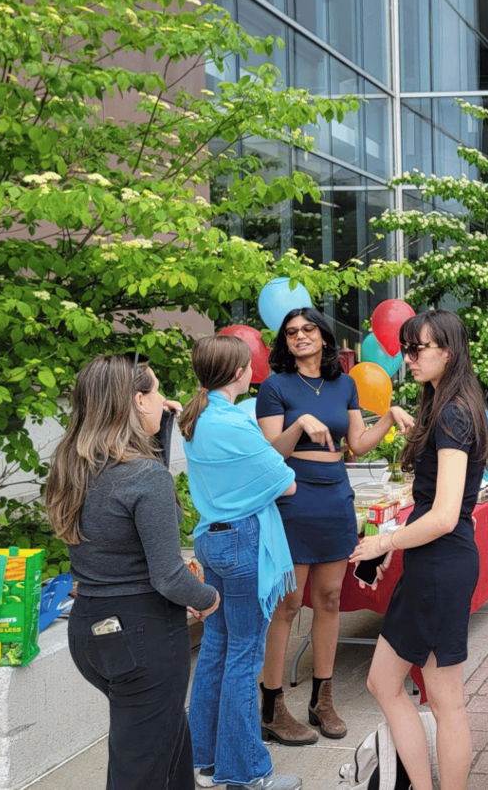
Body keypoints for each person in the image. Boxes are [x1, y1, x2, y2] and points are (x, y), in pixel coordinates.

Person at [46, 353, 221, 790]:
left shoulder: (73, 466)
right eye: (157, 392)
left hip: (91, 629)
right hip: (142, 633)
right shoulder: (144, 477)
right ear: (138, 401)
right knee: (139, 769)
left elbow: (137, 484)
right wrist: (207, 598)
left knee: (167, 743)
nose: (164, 400)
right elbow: (168, 575)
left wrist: (161, 428)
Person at [256, 308, 413, 744]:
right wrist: (299, 424)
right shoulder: (275, 387)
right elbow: (271, 454)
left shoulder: (344, 384)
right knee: (288, 604)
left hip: (334, 497)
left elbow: (357, 446)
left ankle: (321, 700)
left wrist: (389, 416)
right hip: (293, 498)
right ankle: (271, 706)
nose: (300, 336)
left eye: (308, 329)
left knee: (329, 598)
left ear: (324, 337)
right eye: (291, 332)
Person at [350, 309, 488, 790]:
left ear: (447, 351)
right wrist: (396, 543)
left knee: (445, 700)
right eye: (406, 348)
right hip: (435, 561)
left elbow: (445, 513)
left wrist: (385, 540)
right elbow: (439, 506)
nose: (408, 357)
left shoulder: (452, 412)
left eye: (417, 348)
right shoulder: (452, 405)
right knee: (385, 683)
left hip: (440, 565)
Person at [181, 337, 303, 790]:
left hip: (211, 540)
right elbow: (286, 482)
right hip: (242, 541)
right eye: (249, 364)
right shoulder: (232, 422)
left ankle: (206, 760)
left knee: (217, 647)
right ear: (237, 373)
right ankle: (245, 771)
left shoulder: (196, 418)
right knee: (244, 655)